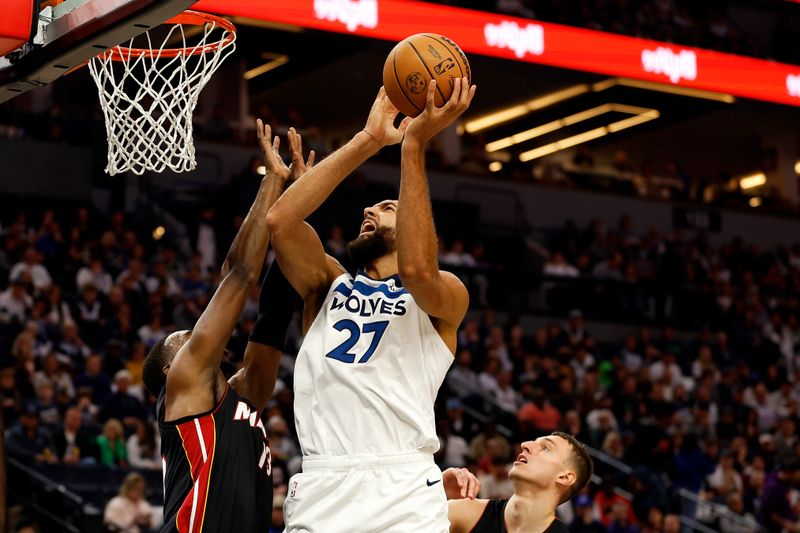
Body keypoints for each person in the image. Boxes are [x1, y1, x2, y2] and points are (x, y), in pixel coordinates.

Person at [267, 78, 476, 532]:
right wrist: (369, 140)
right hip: (324, 478)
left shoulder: (445, 297)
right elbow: (281, 222)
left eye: (386, 207)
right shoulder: (327, 285)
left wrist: (414, 146)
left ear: (417, 225)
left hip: (402, 484)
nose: (369, 212)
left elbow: (420, 271)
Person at [141, 120, 310, 532]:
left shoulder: (241, 397)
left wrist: (295, 211)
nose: (193, 333)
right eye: (181, 338)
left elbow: (273, 317)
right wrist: (273, 181)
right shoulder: (183, 383)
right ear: (170, 368)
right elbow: (237, 275)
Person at [448, 432, 594, 533]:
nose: (525, 444)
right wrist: (434, 491)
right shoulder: (465, 512)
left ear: (564, 477)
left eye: (545, 448)